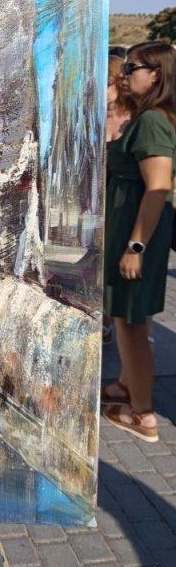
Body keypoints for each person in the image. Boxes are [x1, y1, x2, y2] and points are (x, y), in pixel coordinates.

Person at [102, 42, 176, 443]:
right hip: (130, 230)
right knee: (130, 317)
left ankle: (142, 414)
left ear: (156, 74)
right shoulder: (148, 117)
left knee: (131, 323)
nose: (125, 74)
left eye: (133, 68)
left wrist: (135, 248)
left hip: (137, 235)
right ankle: (126, 386)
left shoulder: (151, 121)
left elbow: (158, 188)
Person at [102, 55, 135, 342]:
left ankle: (130, 322)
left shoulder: (135, 117)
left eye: (105, 82)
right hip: (99, 199)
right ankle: (103, 319)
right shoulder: (93, 116)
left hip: (127, 200)